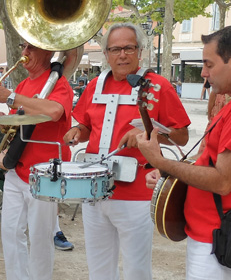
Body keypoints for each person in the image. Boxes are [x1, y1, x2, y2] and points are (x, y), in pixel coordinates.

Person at [137, 25, 231, 280]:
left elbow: (223, 181)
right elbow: (209, 163)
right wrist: (168, 178)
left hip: (218, 238)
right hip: (215, 235)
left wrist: (160, 161)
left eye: (209, 65)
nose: (203, 73)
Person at [63, 23, 190, 280]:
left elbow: (182, 136)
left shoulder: (157, 86)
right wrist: (78, 131)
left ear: (139, 51)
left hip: (136, 194)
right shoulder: (95, 84)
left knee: (136, 270)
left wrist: (148, 132)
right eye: (115, 49)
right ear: (106, 53)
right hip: (94, 190)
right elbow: (87, 124)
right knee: (98, 268)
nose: (122, 54)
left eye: (129, 48)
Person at [0, 41, 73, 280]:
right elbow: (21, 121)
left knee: (40, 239)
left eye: (30, 48)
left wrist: (12, 98)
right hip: (18, 170)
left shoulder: (59, 83)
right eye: (23, 47)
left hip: (45, 174)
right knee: (11, 234)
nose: (24, 53)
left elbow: (54, 111)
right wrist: (5, 119)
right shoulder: (25, 84)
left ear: (47, 52)